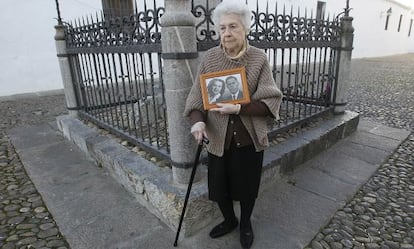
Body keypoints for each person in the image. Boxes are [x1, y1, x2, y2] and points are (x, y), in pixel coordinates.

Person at [183, 1, 282, 248]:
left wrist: (239, 107)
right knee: (219, 188)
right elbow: (196, 99)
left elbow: (271, 99)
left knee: (247, 188)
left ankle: (245, 223)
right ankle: (229, 221)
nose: (226, 33)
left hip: (248, 137)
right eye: (223, 27)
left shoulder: (258, 58)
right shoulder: (210, 58)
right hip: (218, 138)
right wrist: (197, 124)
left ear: (245, 28)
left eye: (233, 27)